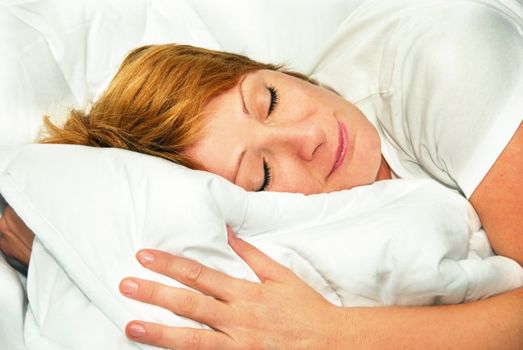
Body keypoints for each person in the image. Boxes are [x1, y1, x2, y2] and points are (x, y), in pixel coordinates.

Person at [0, 0, 522, 348]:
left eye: (269, 99)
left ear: (260, 67)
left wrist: (335, 336)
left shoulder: (447, 59)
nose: (307, 138)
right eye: (264, 175)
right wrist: (52, 242)